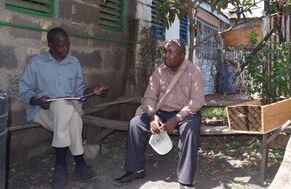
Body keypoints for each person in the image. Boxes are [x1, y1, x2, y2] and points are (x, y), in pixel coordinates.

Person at [19, 27, 107, 189]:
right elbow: (24, 91)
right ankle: (79, 164)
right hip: (43, 110)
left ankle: (61, 166)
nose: (65, 49)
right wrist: (37, 101)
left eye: (67, 45)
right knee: (69, 113)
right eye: (61, 46)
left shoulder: (73, 63)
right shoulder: (37, 63)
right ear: (50, 45)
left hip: (68, 108)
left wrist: (93, 91)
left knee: (66, 108)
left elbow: (79, 92)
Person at [114, 39, 205, 188]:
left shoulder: (193, 72)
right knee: (135, 124)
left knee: (190, 129)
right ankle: (136, 169)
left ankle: (185, 180)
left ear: (182, 55)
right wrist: (152, 116)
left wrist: (177, 118)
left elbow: (196, 102)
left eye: (170, 52)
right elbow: (149, 98)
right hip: (162, 112)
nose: (165, 55)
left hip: (185, 114)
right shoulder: (159, 72)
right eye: (164, 51)